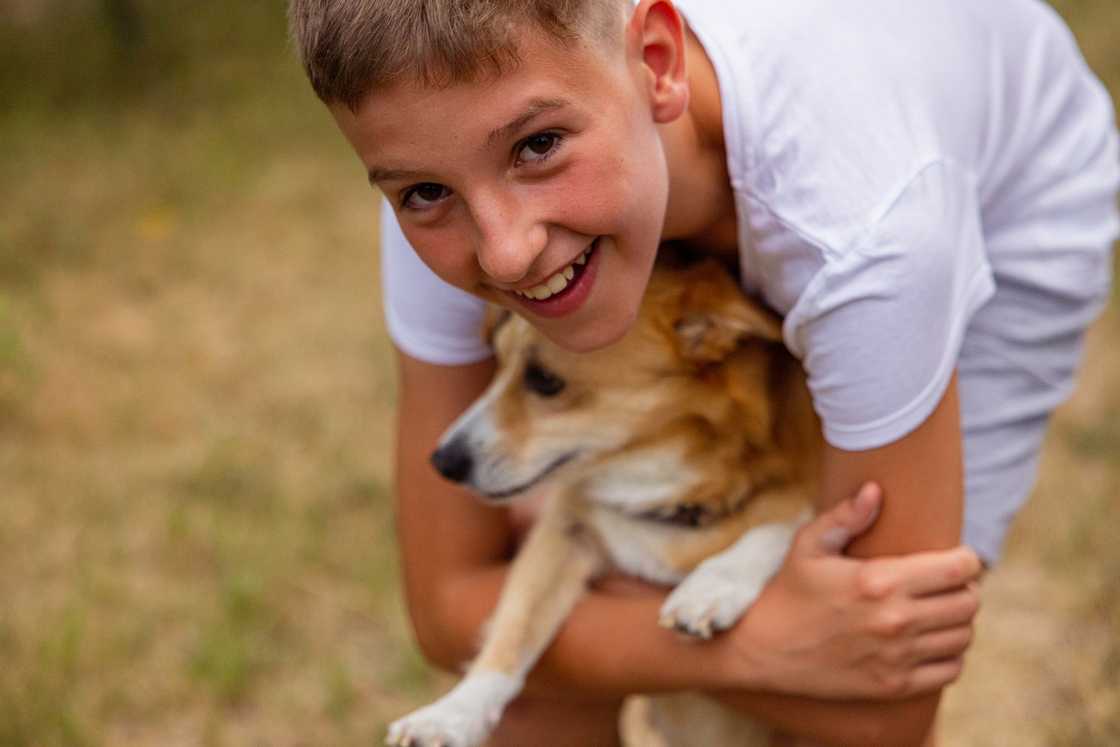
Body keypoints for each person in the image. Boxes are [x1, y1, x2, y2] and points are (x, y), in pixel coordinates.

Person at [289, 0, 1119, 744]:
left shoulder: (871, 239)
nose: (505, 250)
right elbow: (446, 608)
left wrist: (793, 626)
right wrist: (760, 638)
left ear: (656, 63)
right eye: (423, 193)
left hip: (1004, 186)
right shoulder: (448, 167)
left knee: (857, 651)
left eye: (539, 145)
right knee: (519, 626)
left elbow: (882, 704)